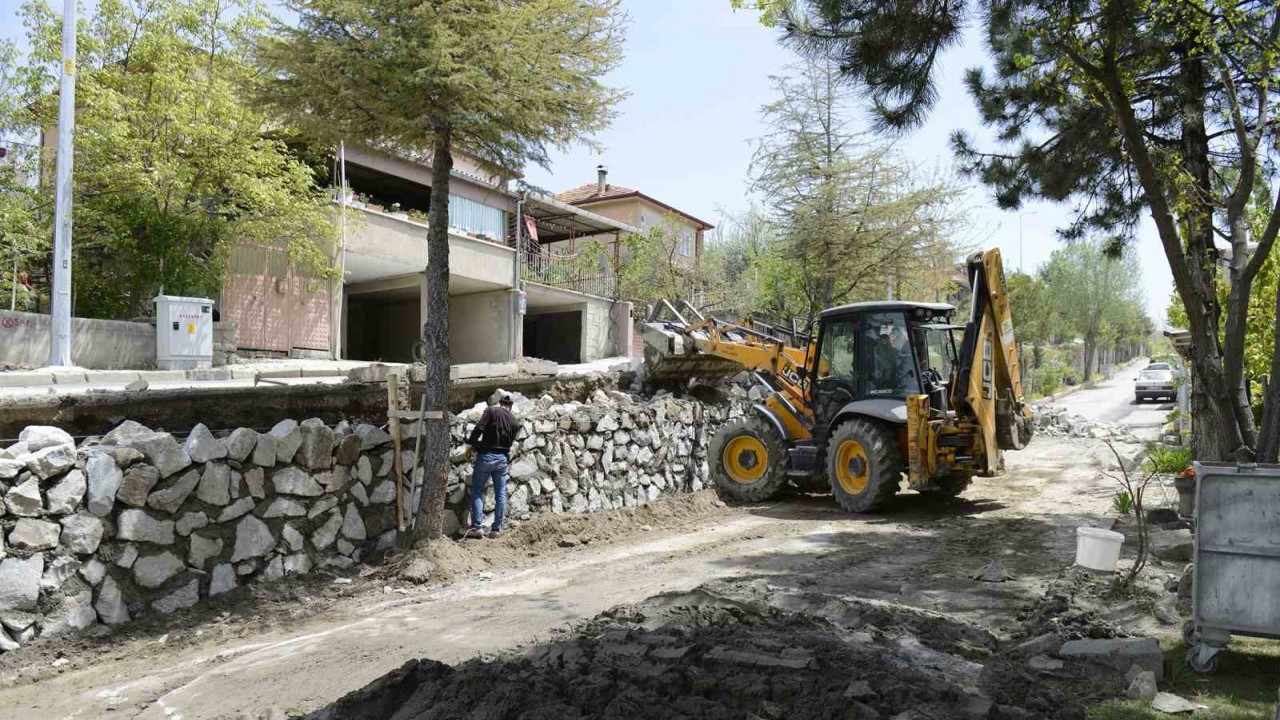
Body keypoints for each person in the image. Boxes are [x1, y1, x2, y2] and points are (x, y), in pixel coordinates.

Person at [462, 392, 517, 539]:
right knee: (500, 494)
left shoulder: (491, 411)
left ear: (500, 403)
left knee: (478, 490)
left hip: (486, 456)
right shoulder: (514, 421)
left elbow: (480, 427)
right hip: (502, 460)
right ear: (510, 406)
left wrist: (472, 443)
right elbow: (509, 444)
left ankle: (477, 527)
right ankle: (496, 529)